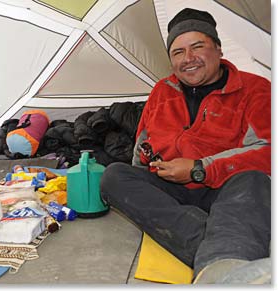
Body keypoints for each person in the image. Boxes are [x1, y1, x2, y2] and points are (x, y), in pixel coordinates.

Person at [100, 8, 271, 283]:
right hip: (171, 190)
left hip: (224, 189)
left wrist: (200, 169)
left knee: (254, 181)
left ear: (218, 50)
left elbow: (267, 151)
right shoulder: (162, 90)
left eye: (197, 47)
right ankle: (223, 255)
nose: (188, 59)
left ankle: (222, 260)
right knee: (114, 176)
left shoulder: (256, 89)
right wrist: (143, 182)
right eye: (178, 52)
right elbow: (141, 147)